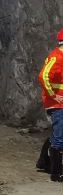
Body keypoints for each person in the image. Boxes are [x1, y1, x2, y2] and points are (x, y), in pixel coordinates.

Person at [38, 29, 63, 182]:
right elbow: (43, 76)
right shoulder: (57, 57)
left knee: (58, 134)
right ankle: (57, 173)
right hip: (57, 104)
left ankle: (44, 162)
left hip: (60, 103)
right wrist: (53, 95)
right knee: (60, 136)